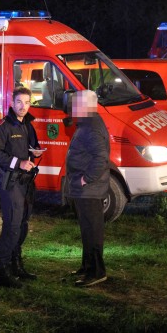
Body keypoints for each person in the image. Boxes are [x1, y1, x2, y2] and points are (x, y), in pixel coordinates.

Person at [0, 86, 44, 288]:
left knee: (22, 225)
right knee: (12, 225)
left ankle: (16, 264)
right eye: (19, 102)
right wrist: (17, 163)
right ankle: (3, 271)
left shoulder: (27, 125)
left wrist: (34, 152)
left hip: (26, 182)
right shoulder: (2, 126)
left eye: (27, 102)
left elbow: (30, 147)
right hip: (10, 182)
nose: (23, 106)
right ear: (12, 103)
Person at [65, 89, 110, 287]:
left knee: (92, 231)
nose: (72, 109)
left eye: (76, 105)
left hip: (89, 189)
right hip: (85, 189)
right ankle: (87, 266)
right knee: (86, 229)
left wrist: (86, 179)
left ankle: (97, 272)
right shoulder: (87, 123)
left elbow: (101, 158)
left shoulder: (91, 127)